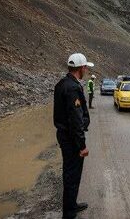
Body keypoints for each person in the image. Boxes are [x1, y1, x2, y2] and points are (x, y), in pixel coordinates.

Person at [53, 53, 94, 219]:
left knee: (70, 174)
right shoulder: (72, 88)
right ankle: (69, 214)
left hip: (65, 135)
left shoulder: (62, 83)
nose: (86, 70)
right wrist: (82, 146)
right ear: (81, 68)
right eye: (85, 67)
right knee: (72, 175)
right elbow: (76, 120)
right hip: (71, 139)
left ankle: (72, 205)